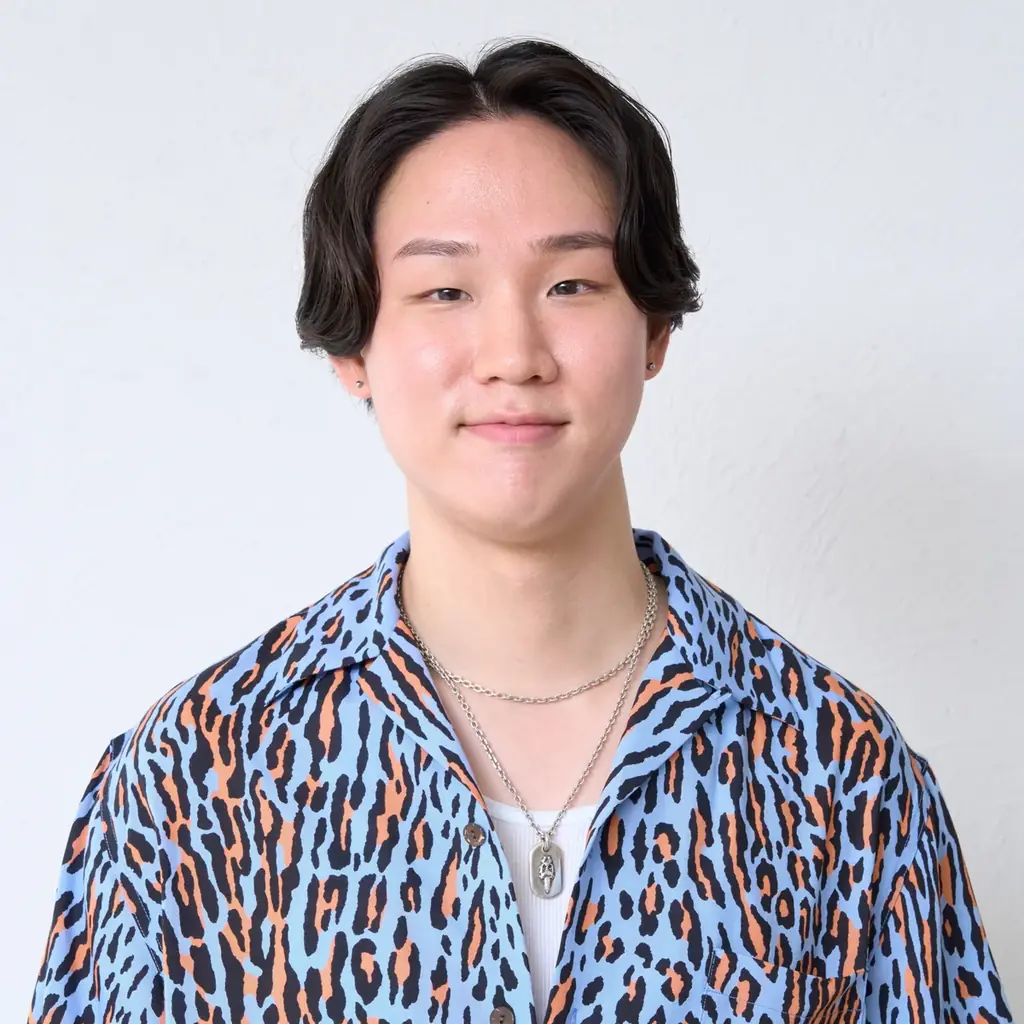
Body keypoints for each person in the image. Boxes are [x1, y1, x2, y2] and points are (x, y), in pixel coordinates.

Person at [29, 38, 1012, 1024]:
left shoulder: (839, 771)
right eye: (444, 291)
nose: (513, 353)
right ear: (353, 346)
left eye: (570, 284)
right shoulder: (197, 776)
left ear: (655, 328)